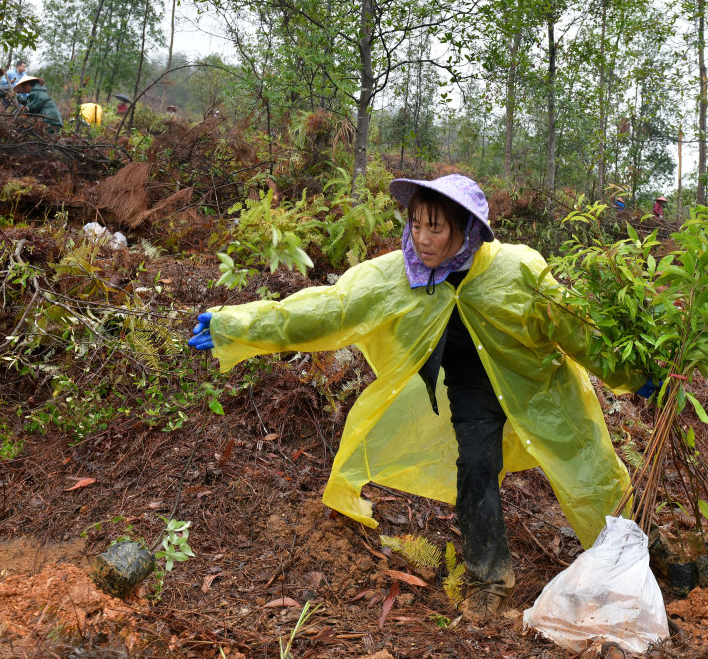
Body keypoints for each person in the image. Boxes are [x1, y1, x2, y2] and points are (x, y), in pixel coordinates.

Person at [188, 174, 658, 621]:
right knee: (474, 466)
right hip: (471, 387)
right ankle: (488, 576)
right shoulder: (401, 275)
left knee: (588, 465)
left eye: (435, 228)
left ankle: (632, 557)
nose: (422, 239)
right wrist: (237, 324)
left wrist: (633, 374)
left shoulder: (519, 271)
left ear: (467, 230)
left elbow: (578, 330)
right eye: (415, 225)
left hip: (537, 382)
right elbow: (328, 310)